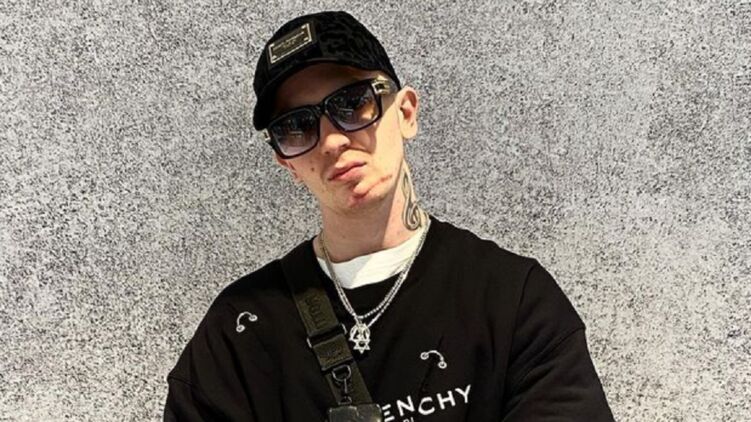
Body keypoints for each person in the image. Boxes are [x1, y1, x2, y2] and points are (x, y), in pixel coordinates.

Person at [163, 10, 615, 421]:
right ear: (287, 163)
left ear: (406, 112)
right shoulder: (239, 333)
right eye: (296, 126)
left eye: (352, 101)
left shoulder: (513, 301)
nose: (332, 141)